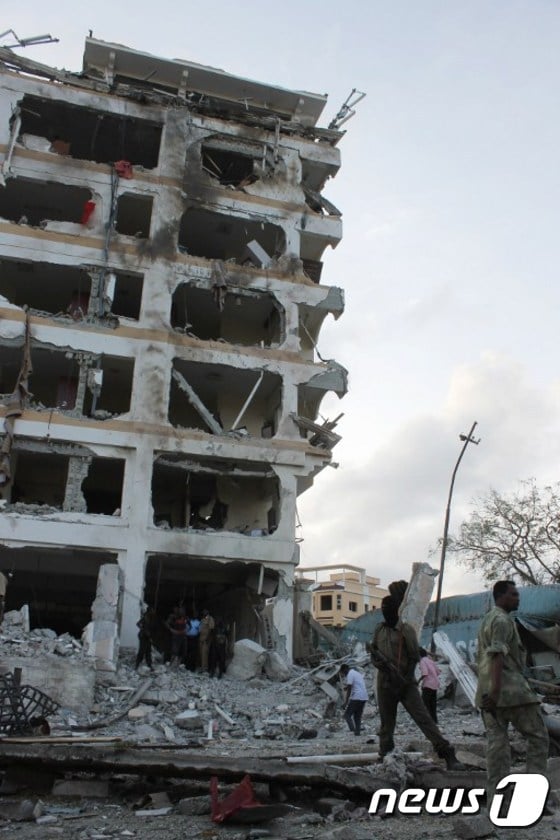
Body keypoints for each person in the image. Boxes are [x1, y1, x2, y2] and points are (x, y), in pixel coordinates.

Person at [476, 580, 550, 807]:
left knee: (497, 746)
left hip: (488, 692)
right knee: (538, 737)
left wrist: (491, 691)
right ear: (500, 596)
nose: (518, 598)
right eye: (514, 594)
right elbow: (497, 655)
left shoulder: (487, 619)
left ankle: (497, 798)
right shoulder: (502, 620)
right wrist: (497, 691)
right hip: (511, 693)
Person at [371, 595, 463, 769]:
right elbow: (373, 652)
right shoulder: (379, 630)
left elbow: (414, 656)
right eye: (383, 608)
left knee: (424, 719)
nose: (385, 612)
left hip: (406, 684)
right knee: (386, 725)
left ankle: (447, 753)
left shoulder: (406, 630)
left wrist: (405, 678)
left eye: (388, 608)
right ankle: (385, 755)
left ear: (397, 610)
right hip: (385, 683)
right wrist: (381, 665)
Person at [340, 663, 368, 736]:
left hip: (357, 697)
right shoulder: (356, 673)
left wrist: (346, 702)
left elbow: (349, 689)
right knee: (357, 716)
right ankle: (357, 732)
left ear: (345, 669)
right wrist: (347, 688)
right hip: (364, 697)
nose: (344, 674)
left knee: (347, 715)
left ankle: (352, 729)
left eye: (343, 672)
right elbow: (355, 685)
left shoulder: (350, 674)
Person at [418, 647, 441, 723]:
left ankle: (427, 721)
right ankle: (434, 720)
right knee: (433, 704)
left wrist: (418, 681)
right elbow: (438, 672)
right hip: (435, 684)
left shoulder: (422, 661)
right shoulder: (430, 661)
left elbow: (425, 673)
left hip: (428, 684)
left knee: (425, 704)